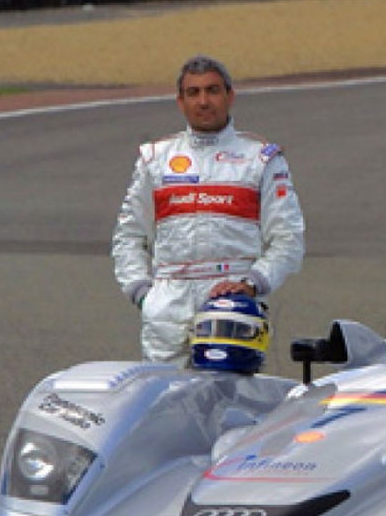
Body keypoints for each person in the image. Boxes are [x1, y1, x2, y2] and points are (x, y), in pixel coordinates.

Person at [112, 55, 306, 365]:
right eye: (194, 93)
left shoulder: (261, 159)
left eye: (213, 90)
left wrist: (252, 284)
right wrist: (142, 293)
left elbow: (288, 239)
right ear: (181, 101)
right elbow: (129, 236)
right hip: (167, 310)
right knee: (164, 396)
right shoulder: (155, 159)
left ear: (230, 96)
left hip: (232, 309)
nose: (203, 101)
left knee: (229, 396)